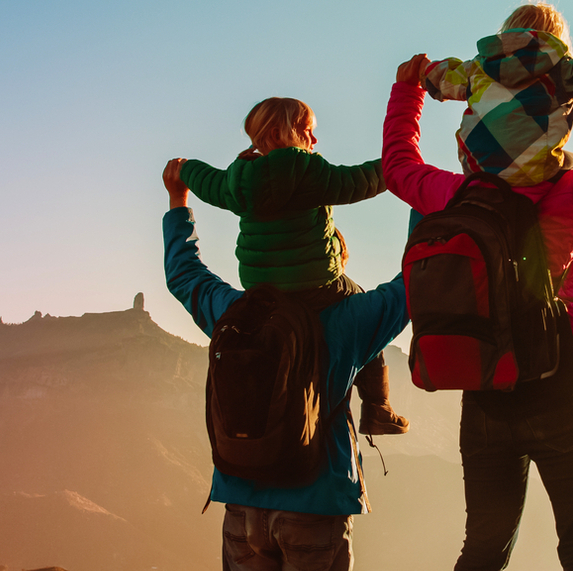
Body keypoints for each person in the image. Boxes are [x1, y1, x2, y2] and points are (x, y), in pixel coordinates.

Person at [383, 25, 573, 571]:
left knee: (483, 548)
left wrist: (407, 92)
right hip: (561, 385)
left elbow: (398, 167)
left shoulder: (453, 197)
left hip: (485, 384)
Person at [160, 164, 410, 571]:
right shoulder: (349, 318)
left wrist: (178, 201)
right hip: (316, 503)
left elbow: (184, 275)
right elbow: (413, 281)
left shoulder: (234, 313)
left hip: (240, 501)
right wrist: (419, 193)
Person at [167, 96, 408, 435]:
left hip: (260, 291)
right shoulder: (310, 172)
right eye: (308, 130)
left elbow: (207, 184)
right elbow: (360, 181)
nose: (314, 139)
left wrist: (182, 178)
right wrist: (401, 165)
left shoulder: (236, 182)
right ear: (280, 134)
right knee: (358, 296)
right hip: (320, 289)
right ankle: (378, 406)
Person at [418, 0, 573, 187]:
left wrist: (423, 69)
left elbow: (442, 77)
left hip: (477, 168)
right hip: (535, 172)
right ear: (555, 38)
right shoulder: (560, 69)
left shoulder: (478, 68)